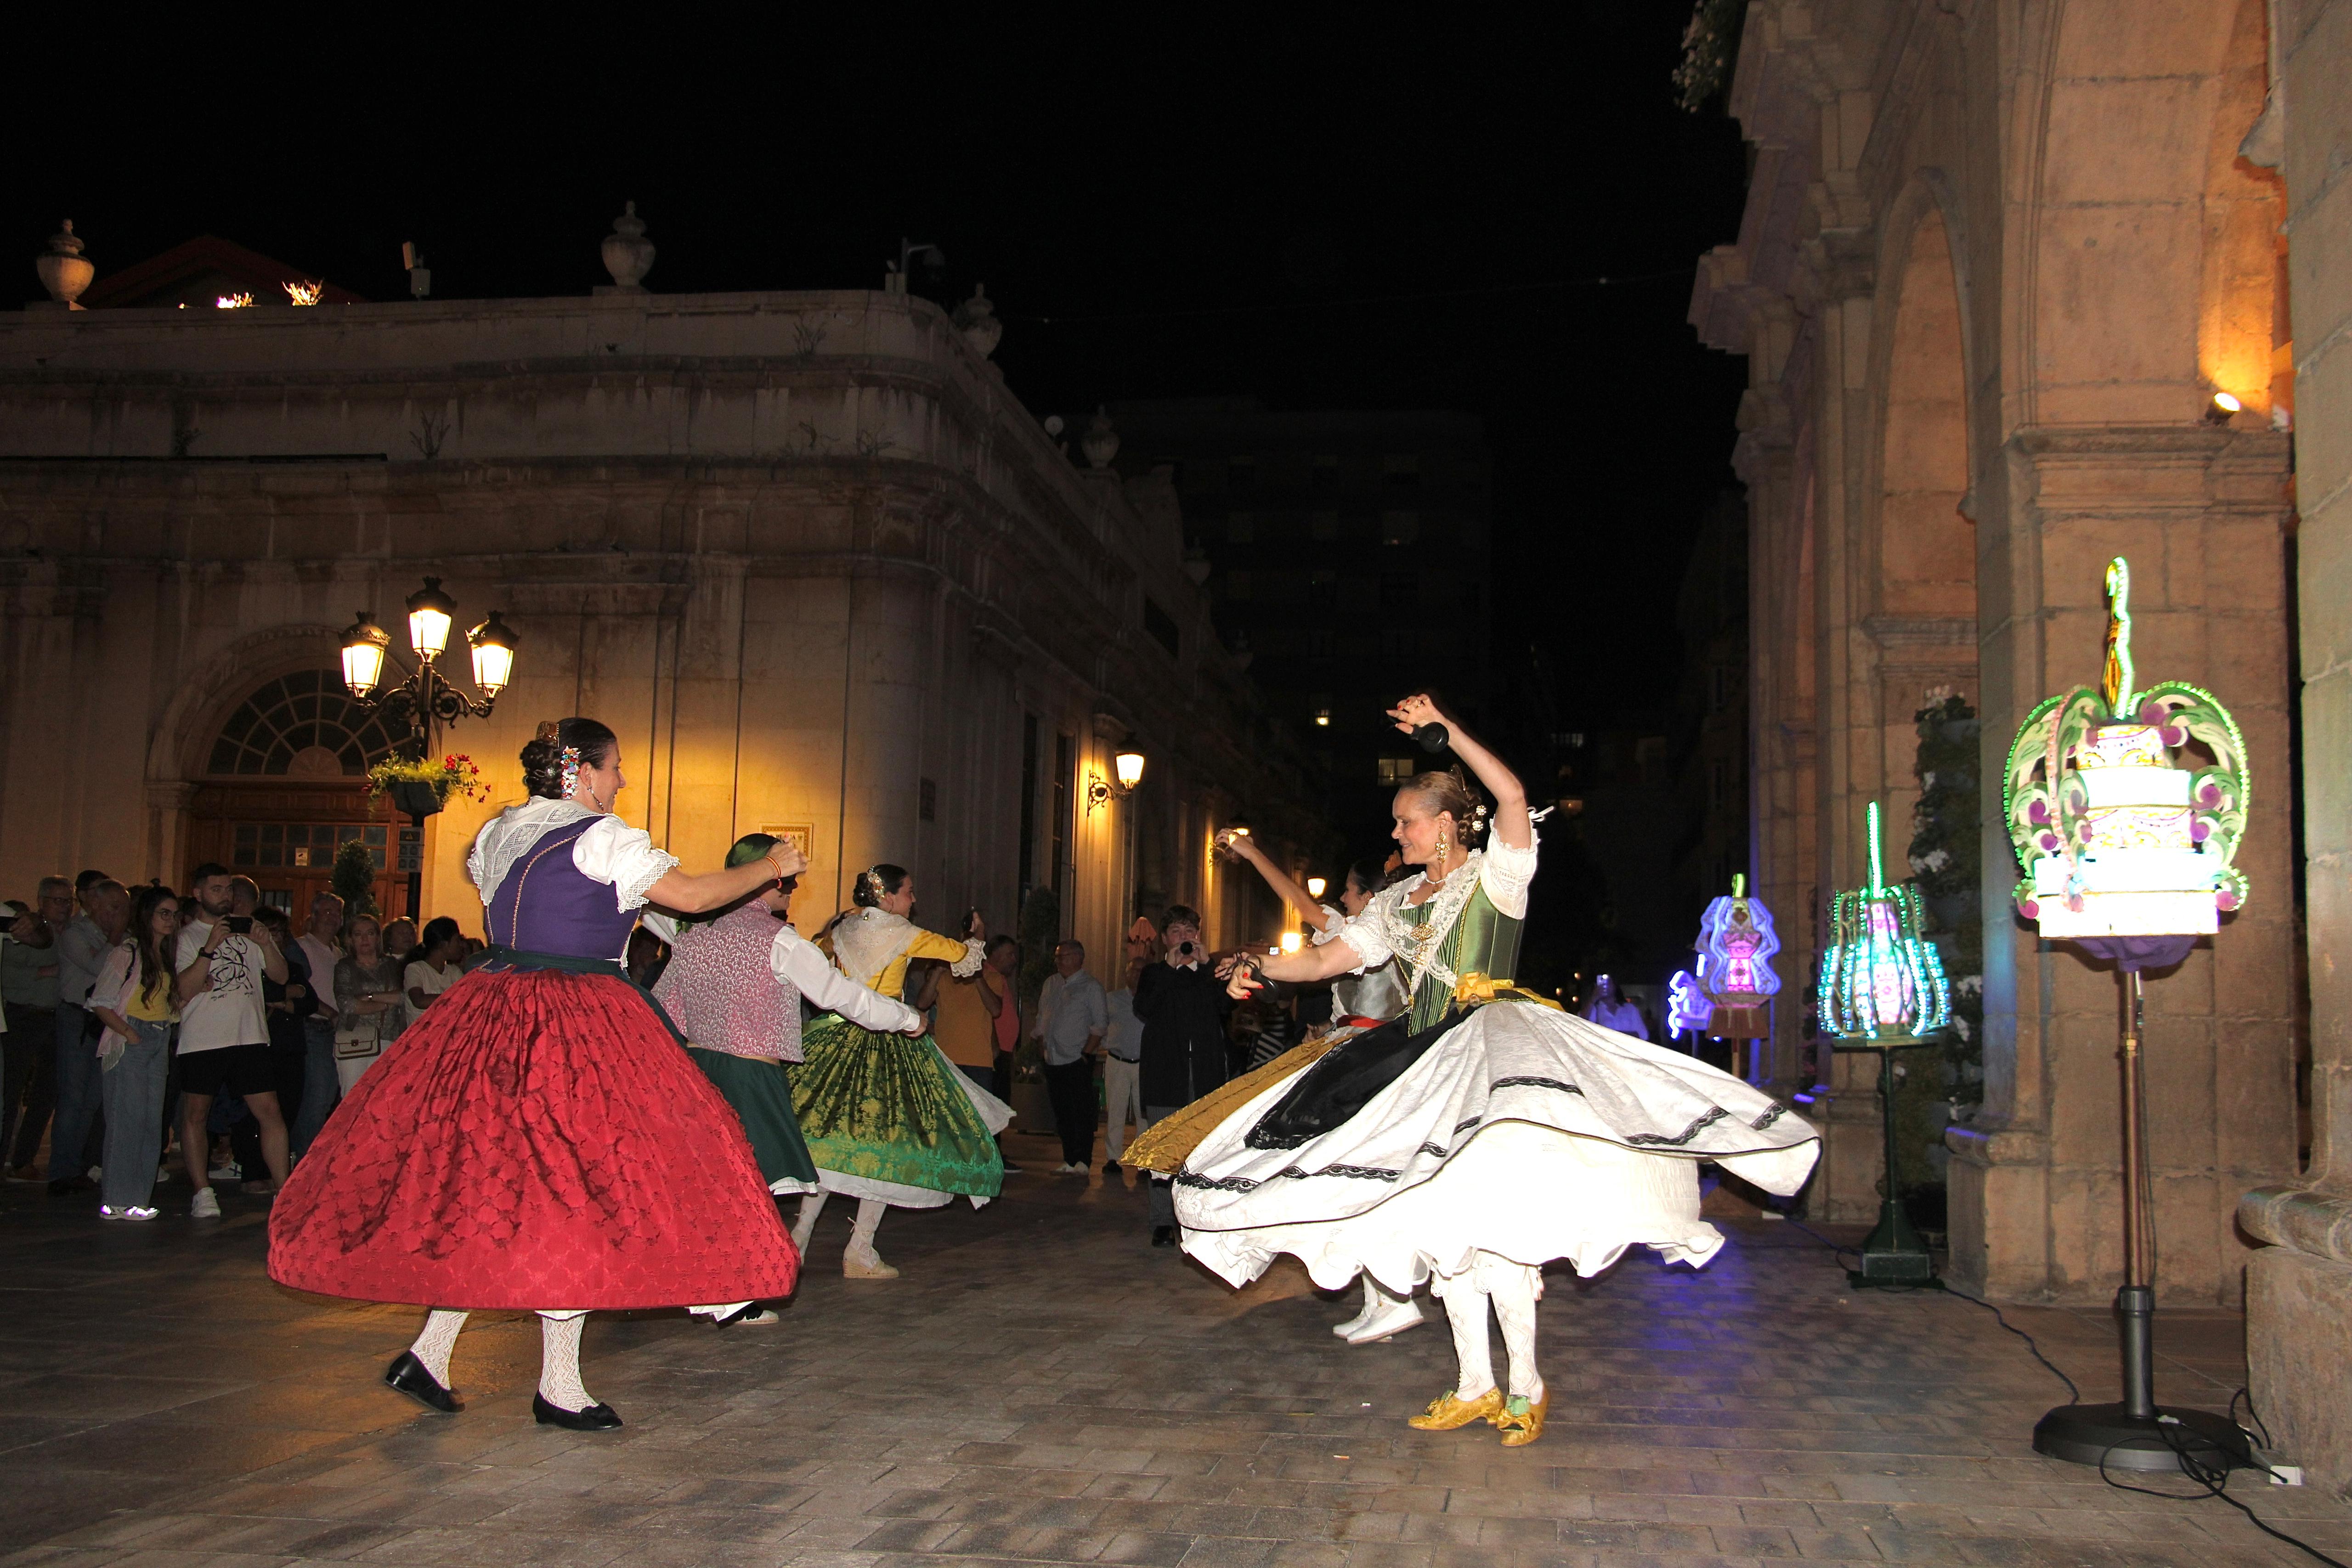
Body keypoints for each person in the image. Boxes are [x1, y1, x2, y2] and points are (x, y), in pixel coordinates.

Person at [1172, 695, 1821, 1449]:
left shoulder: (1496, 877)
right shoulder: (1393, 903)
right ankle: (1475, 1381)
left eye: (1405, 819)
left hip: (1492, 1055)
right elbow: (1323, 957)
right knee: (1448, 1230)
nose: (1395, 831)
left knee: (1498, 1233)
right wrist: (1259, 962)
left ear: (1444, 822)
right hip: (1420, 1060)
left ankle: (1526, 1385)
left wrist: (1445, 731)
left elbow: (1510, 795)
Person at [269, 717, 801, 1432]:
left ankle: (433, 1352)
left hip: (492, 1015)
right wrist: (773, 865)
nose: (620, 782)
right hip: (577, 1023)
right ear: (582, 772)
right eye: (615, 770)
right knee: (576, 1188)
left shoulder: (500, 835)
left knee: (503, 1181)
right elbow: (698, 897)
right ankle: (558, 1384)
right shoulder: (603, 836)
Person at [648, 835, 928, 1280]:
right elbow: (840, 995)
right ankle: (740, 1287)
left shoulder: (690, 929)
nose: (792, 890)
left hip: (696, 1072)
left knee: (709, 1183)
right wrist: (906, 1018)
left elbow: (651, 910)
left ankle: (707, 1277)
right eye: (788, 882)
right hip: (749, 1076)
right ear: (762, 878)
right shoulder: (779, 941)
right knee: (750, 1188)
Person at [790, 866, 1010, 1279]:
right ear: (888, 897)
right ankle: (860, 1249)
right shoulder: (906, 932)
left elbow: (815, 963)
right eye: (908, 893)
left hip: (835, 1039)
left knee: (828, 1141)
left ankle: (799, 1239)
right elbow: (964, 957)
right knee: (890, 1147)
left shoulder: (842, 928)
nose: (913, 900)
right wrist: (977, 936)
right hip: (888, 1041)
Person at [172, 863, 291, 1213]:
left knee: (270, 1111)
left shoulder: (247, 933)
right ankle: (202, 1192)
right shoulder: (187, 937)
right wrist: (209, 947)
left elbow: (281, 977)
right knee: (196, 1113)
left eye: (228, 890)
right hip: (202, 1039)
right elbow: (185, 989)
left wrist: (266, 944)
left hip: (249, 1036)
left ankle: (284, 1192)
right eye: (217, 889)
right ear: (199, 894)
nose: (225, 896)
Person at [1134, 904, 1230, 1246]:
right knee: (1164, 1149)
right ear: (1164, 939)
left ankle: (1200, 1219)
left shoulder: (1211, 972)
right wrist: (1172, 970)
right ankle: (1162, 1221)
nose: (1184, 938)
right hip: (1165, 1074)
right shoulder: (1154, 974)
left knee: (1204, 1150)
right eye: (1177, 932)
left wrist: (1206, 966)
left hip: (1204, 1073)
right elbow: (1144, 1007)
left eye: (1190, 932)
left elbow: (1226, 1007)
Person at [87, 886, 182, 1219]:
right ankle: (116, 1199)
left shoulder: (165, 954)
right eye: (164, 914)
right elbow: (101, 1001)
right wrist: (129, 1034)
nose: (170, 921)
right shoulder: (128, 952)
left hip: (159, 1036)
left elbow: (171, 1002)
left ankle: (137, 1199)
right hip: (134, 1035)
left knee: (150, 1123)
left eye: (174, 914)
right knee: (126, 1121)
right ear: (148, 916)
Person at [52, 872, 122, 1195]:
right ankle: (61, 1171)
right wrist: (116, 937)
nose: (118, 915)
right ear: (94, 904)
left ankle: (78, 1166)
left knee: (92, 1100)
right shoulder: (75, 934)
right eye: (113, 907)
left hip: (102, 1022)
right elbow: (100, 969)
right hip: (76, 1020)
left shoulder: (120, 937)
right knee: (72, 1099)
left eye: (123, 909)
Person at [3, 885, 64, 1184]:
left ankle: (23, 1159)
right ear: (41, 901)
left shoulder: (69, 932)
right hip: (21, 1016)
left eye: (68, 900)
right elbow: (8, 973)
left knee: (46, 1094)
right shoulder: (23, 925)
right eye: (57, 900)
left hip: (53, 1017)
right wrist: (46, 972)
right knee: (9, 1093)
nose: (64, 906)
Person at [1034, 939, 1107, 1173]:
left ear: (1077, 958)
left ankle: (1083, 1160)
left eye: (1062, 957)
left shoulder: (1091, 987)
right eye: (1057, 957)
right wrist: (1041, 1045)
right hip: (1053, 1057)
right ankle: (1069, 1158)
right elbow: (1042, 1017)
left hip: (1077, 1058)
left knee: (1081, 1112)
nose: (1058, 962)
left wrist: (1086, 1054)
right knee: (1062, 1111)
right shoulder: (1051, 984)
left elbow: (1100, 1024)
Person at [330, 915, 406, 1094]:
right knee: (353, 1098)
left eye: (370, 933)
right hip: (354, 1042)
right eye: (358, 934)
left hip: (389, 1039)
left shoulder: (392, 965)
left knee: (384, 1100)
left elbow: (403, 997)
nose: (365, 939)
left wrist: (370, 996)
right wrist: (385, 1005)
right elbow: (347, 1005)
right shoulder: (345, 967)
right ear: (350, 939)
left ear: (378, 938)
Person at [292, 893, 343, 1153]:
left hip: (336, 1032)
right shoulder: (302, 947)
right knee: (317, 1099)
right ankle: (303, 1160)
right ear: (313, 916)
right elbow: (299, 990)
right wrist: (330, 1013)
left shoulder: (339, 953)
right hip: (314, 1028)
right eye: (327, 913)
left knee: (330, 1100)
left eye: (337, 913)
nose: (333, 919)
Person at [1102, 957, 1146, 1172]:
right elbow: (1101, 1024)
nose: (1137, 975)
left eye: (1142, 971)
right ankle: (1113, 1158)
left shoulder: (1152, 1000)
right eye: (1133, 970)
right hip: (1117, 1061)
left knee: (1143, 1113)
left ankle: (1142, 1159)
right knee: (1116, 1111)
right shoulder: (1112, 999)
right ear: (1126, 974)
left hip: (1144, 1064)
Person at [402, 917, 464, 1027]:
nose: (461, 945)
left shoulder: (454, 972)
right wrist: (455, 998)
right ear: (444, 944)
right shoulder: (415, 969)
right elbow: (419, 1001)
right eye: (457, 940)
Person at [1580, 974, 1650, 1040]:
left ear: (1615, 986)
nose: (1605, 986)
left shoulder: (1630, 1008)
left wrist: (1614, 1036)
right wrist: (1593, 998)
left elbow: (1644, 1035)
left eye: (1608, 982)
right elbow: (1581, 1024)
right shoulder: (1595, 1009)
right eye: (1602, 983)